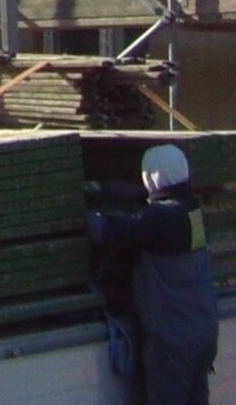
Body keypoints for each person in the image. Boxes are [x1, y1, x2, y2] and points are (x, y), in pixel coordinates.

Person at [88, 143, 220, 405]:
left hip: (172, 340)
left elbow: (109, 233)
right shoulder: (191, 210)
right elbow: (146, 197)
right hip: (201, 333)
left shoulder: (160, 219)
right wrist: (104, 188)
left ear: (150, 175)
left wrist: (86, 216)